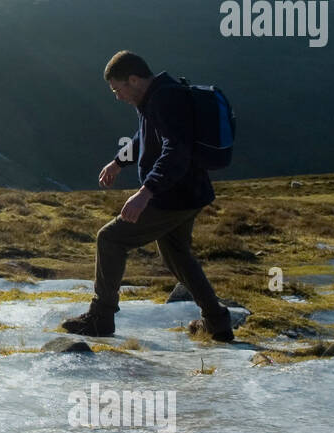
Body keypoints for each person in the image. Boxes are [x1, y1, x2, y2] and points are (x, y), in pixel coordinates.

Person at [59, 50, 234, 341]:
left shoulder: (165, 98)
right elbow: (146, 138)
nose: (117, 96)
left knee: (110, 238)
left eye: (118, 89)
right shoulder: (157, 96)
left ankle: (101, 318)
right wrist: (118, 162)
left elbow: (175, 149)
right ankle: (217, 321)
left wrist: (146, 192)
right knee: (178, 256)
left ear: (134, 79)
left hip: (172, 195)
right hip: (188, 193)